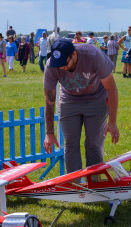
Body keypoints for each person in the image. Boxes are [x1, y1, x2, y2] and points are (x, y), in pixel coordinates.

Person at [43, 39, 119, 174]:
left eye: (64, 64)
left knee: (93, 145)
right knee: (71, 144)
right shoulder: (51, 65)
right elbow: (49, 101)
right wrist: (49, 133)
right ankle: (75, 185)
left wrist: (112, 122)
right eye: (58, 65)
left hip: (96, 99)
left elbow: (111, 89)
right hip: (69, 101)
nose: (61, 68)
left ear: (74, 54)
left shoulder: (93, 55)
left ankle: (95, 182)